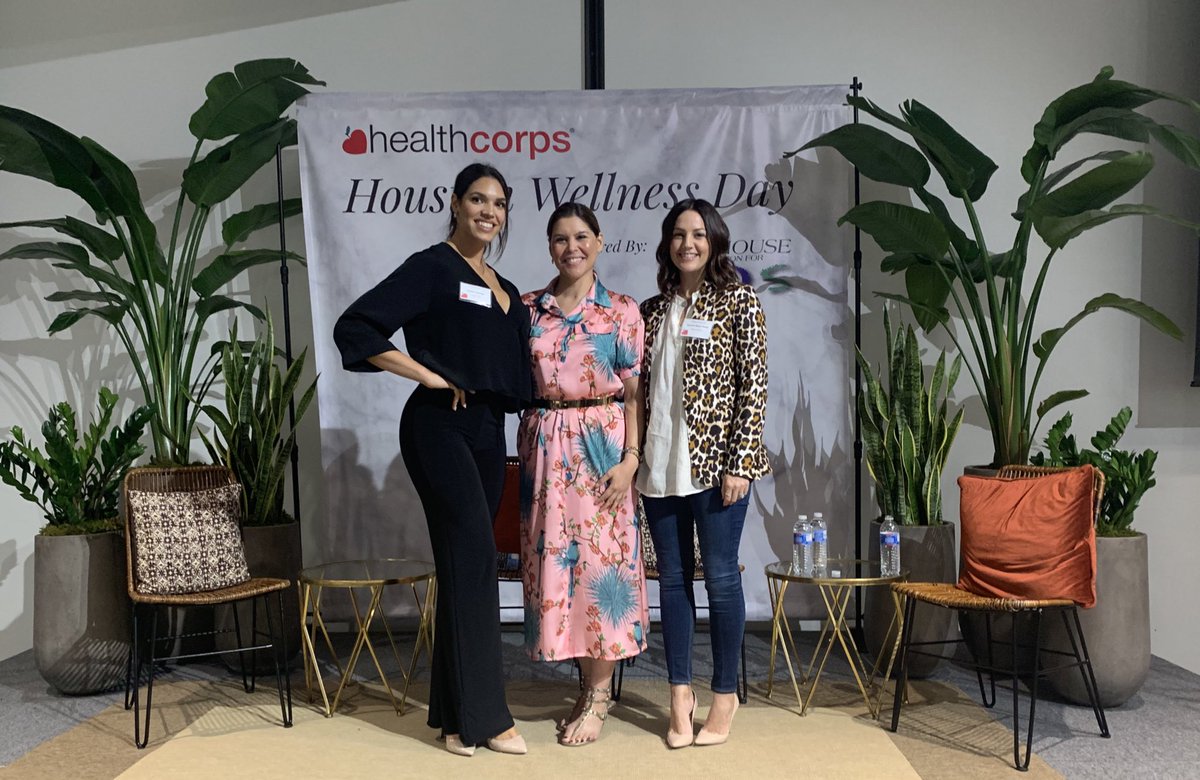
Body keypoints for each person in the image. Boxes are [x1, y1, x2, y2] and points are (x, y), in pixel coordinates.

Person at [333, 162, 530, 757]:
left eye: (498, 203)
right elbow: (357, 327)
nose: (488, 211)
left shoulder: (506, 288)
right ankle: (488, 718)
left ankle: (451, 717)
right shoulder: (432, 267)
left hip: (488, 429)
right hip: (438, 424)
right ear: (454, 202)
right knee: (472, 555)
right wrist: (425, 374)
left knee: (465, 562)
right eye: (477, 199)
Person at [636, 198, 769, 748]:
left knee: (719, 579)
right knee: (670, 582)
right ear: (668, 243)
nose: (687, 243)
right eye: (677, 234)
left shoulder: (739, 301)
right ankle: (679, 696)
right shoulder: (652, 309)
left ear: (714, 240)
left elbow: (753, 387)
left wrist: (740, 461)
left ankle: (724, 695)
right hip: (659, 465)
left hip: (718, 468)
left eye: (697, 234)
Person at [517, 202, 648, 746]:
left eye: (580, 237)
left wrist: (631, 460)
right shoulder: (528, 309)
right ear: (549, 246)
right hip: (545, 451)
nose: (570, 247)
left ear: (599, 241)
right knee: (554, 570)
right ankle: (580, 680)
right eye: (559, 238)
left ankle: (598, 694)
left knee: (601, 568)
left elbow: (637, 393)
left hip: (602, 450)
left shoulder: (621, 311)